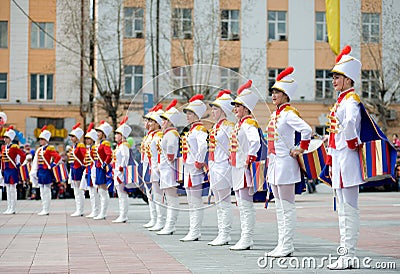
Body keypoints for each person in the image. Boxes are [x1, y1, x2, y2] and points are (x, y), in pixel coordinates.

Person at [266, 67, 312, 257]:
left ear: (286, 95)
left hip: (285, 163)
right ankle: (281, 244)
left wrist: (300, 148)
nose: (273, 94)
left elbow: (307, 130)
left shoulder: (288, 113)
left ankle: (287, 245)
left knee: (287, 207)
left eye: (277, 92)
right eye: (273, 91)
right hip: (275, 164)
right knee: (279, 207)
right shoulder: (276, 114)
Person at [325, 45, 364, 270]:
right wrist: (331, 160)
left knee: (348, 208)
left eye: (337, 77)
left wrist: (349, 142)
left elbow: (350, 124)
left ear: (349, 79)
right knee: (342, 208)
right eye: (333, 77)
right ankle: (345, 252)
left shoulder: (350, 100)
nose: (334, 80)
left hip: (348, 158)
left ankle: (349, 254)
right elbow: (334, 132)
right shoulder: (341, 100)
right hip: (340, 159)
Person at [229, 80, 261, 250]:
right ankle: (245, 237)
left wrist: (250, 157)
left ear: (246, 108)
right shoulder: (240, 124)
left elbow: (255, 141)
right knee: (242, 205)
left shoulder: (248, 123)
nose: (235, 109)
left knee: (246, 206)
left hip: (244, 169)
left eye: (238, 106)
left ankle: (247, 237)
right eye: (235, 106)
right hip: (237, 167)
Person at [207, 90, 235, 246]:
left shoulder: (228, 126)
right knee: (218, 203)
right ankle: (221, 232)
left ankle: (225, 233)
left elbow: (234, 145)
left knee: (224, 202)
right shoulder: (216, 127)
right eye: (212, 108)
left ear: (224, 110)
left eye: (216, 108)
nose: (212, 111)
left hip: (224, 165)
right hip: (215, 165)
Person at [180, 94, 208, 242]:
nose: (187, 116)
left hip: (194, 168)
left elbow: (203, 145)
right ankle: (193, 230)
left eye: (190, 113)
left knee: (195, 201)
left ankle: (195, 231)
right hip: (188, 168)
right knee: (191, 200)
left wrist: (199, 161)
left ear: (196, 115)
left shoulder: (200, 129)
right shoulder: (192, 130)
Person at [157, 99, 181, 235]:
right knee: (168, 198)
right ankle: (169, 224)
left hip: (169, 169)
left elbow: (171, 152)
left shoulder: (171, 134)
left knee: (171, 199)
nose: (163, 123)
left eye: (165, 120)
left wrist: (168, 159)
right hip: (165, 168)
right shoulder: (168, 133)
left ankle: (171, 225)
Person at [29, 126, 62, 215]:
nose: (40, 141)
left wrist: (52, 165)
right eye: (40, 139)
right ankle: (43, 208)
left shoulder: (49, 148)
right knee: (41, 190)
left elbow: (58, 157)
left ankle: (46, 209)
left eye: (42, 139)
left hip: (46, 171)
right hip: (40, 172)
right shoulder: (39, 150)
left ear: (46, 140)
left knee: (46, 190)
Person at [142, 104, 165, 231]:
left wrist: (158, 168)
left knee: (158, 195)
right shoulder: (150, 136)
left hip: (155, 168)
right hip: (148, 167)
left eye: (151, 121)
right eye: (148, 120)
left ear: (158, 123)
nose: (148, 123)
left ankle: (160, 220)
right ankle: (154, 218)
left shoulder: (159, 136)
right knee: (151, 195)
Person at [1, 126, 26, 214]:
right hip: (6, 170)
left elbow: (23, 155)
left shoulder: (14, 147)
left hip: (12, 170)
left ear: (10, 138)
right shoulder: (4, 148)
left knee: (12, 189)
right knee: (7, 189)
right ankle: (8, 207)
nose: (5, 139)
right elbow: (2, 160)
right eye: (4, 137)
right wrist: (2, 170)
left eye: (7, 137)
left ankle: (13, 208)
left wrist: (19, 164)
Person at [112, 117, 132, 223]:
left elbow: (126, 157)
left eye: (117, 134)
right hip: (117, 171)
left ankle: (123, 215)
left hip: (121, 172)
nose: (115, 136)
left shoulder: (123, 145)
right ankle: (122, 214)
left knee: (122, 195)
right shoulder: (119, 146)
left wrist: (121, 168)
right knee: (120, 195)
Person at [93, 121, 113, 220]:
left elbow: (109, 154)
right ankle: (101, 212)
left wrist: (105, 163)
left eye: (99, 132)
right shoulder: (99, 143)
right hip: (98, 167)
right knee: (100, 190)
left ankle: (103, 212)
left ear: (104, 133)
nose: (97, 134)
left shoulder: (105, 143)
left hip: (102, 168)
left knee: (103, 191)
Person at [81, 123, 100, 218]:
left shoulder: (94, 148)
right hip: (88, 171)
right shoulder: (89, 149)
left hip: (94, 171)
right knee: (91, 192)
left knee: (95, 192)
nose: (86, 140)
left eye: (88, 138)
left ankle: (96, 210)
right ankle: (94, 210)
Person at [68, 123, 86, 217]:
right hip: (73, 169)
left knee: (79, 191)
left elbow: (85, 157)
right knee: (76, 191)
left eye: (73, 136)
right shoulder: (74, 147)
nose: (71, 138)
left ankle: (80, 209)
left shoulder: (80, 146)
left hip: (79, 169)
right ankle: (78, 209)